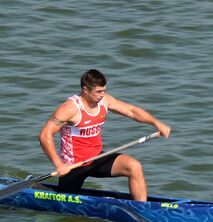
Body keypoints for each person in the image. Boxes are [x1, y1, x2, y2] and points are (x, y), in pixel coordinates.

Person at [38, 69, 171, 202]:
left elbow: (131, 111)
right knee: (63, 200)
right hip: (74, 165)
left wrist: (156, 123)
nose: (102, 95)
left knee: (134, 166)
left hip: (97, 158)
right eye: (98, 91)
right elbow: (45, 135)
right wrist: (58, 164)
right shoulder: (69, 109)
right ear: (85, 89)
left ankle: (142, 209)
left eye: (103, 90)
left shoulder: (104, 101)